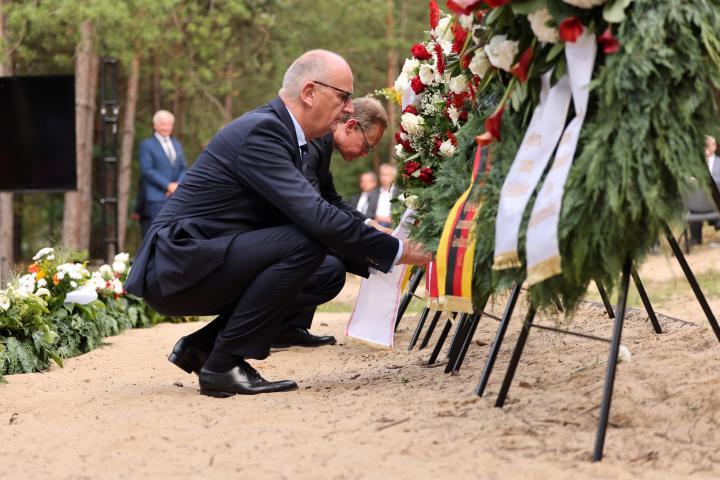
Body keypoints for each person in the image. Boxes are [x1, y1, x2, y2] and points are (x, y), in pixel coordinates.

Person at [124, 49, 430, 397]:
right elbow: (317, 218)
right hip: (177, 264)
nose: (349, 107)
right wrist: (398, 250)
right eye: (343, 97)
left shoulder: (289, 136)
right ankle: (223, 366)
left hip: (199, 258)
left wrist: (377, 247)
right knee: (308, 242)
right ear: (309, 92)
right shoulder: (264, 132)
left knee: (321, 271)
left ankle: (205, 347)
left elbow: (321, 208)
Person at [276, 97, 391, 347]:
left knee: (330, 252)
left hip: (289, 230)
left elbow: (331, 198)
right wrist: (373, 247)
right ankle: (269, 324)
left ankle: (290, 328)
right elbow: (314, 209)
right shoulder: (312, 141)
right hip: (269, 235)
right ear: (350, 126)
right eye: (367, 146)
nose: (363, 154)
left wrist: (369, 225)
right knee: (329, 268)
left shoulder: (324, 144)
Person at [137, 110, 188, 237]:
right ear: (155, 125)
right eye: (163, 124)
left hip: (176, 197)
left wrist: (177, 185)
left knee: (175, 235)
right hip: (157, 198)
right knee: (158, 235)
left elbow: (184, 168)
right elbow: (147, 170)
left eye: (169, 124)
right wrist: (168, 186)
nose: (166, 127)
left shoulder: (177, 144)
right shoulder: (147, 145)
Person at [373, 162, 399, 227]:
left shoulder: (399, 193)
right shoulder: (373, 193)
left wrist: (380, 218)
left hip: (389, 225)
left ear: (394, 176)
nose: (384, 177)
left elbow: (399, 216)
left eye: (387, 175)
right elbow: (369, 213)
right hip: (374, 224)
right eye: (382, 174)